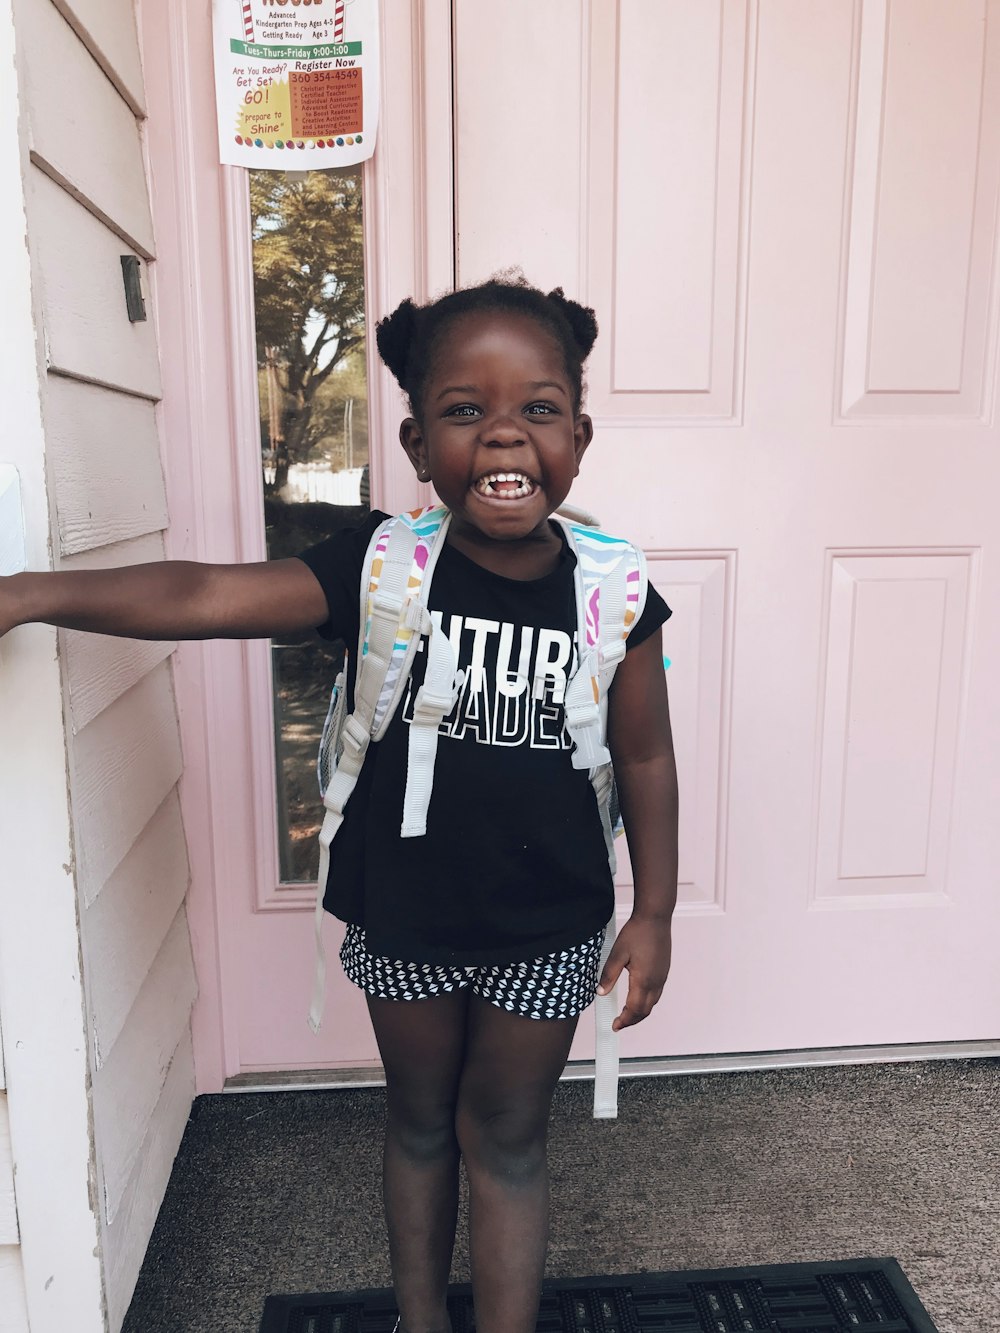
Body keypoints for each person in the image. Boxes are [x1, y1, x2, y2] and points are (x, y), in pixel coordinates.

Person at [0, 275, 678, 1333]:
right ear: (416, 443)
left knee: (504, 1135)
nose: (503, 437)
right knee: (416, 1123)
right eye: (465, 411)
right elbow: (206, 596)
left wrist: (654, 912)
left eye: (537, 409)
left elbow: (641, 754)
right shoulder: (379, 567)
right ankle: (418, 1319)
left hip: (550, 923)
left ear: (579, 436)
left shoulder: (614, 590)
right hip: (401, 909)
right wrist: (30, 593)